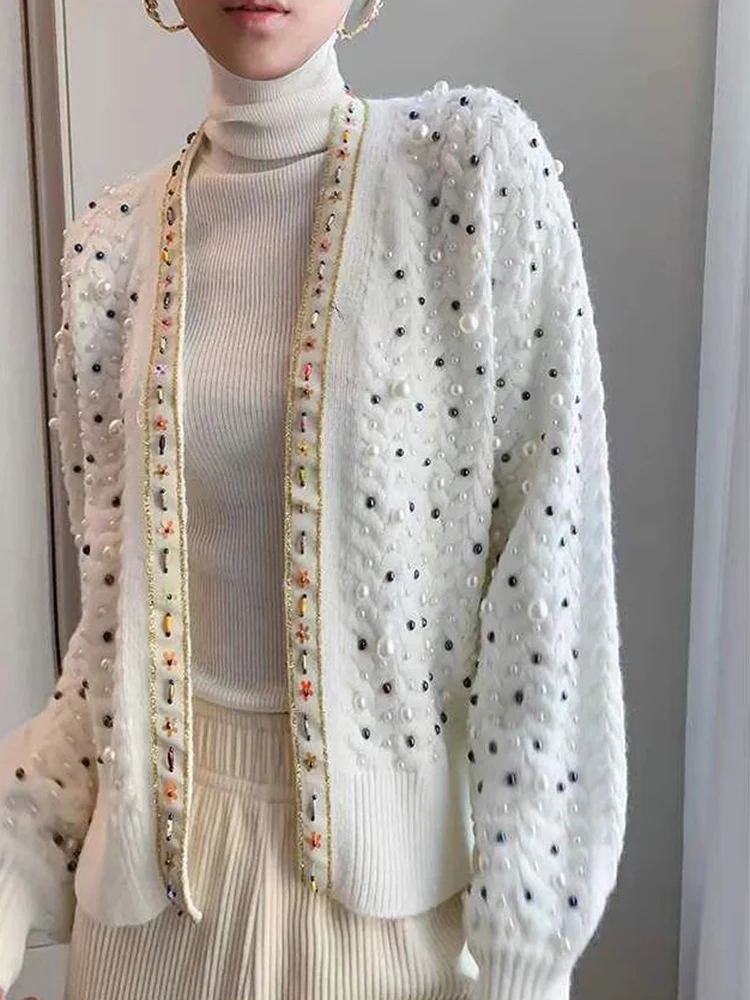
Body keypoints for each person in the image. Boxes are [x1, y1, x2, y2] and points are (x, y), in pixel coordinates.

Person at [0, 1, 628, 998]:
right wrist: (15, 866)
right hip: (142, 944)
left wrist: (528, 955)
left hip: (383, 950)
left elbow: (548, 599)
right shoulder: (106, 255)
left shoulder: (470, 179)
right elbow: (106, 658)